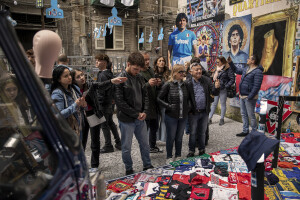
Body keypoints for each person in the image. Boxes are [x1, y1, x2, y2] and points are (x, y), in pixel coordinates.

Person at [70, 68, 127, 173]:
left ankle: (94, 165)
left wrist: (111, 81)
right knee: (82, 141)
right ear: (73, 79)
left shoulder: (89, 85)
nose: (82, 78)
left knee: (95, 141)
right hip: (80, 116)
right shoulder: (72, 90)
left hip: (93, 114)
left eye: (82, 75)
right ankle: (81, 165)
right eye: (78, 77)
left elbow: (100, 85)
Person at [115, 52, 153, 175]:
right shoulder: (120, 79)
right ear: (128, 64)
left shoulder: (140, 77)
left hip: (140, 117)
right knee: (126, 147)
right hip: (127, 119)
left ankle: (147, 165)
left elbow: (146, 96)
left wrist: (145, 111)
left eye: (139, 69)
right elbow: (120, 102)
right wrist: (136, 114)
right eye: (135, 69)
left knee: (145, 144)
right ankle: (129, 169)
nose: (137, 72)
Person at [157, 64, 190, 164]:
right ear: (174, 73)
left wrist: (188, 108)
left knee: (179, 137)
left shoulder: (185, 85)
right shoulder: (168, 84)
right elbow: (158, 98)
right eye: (180, 72)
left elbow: (188, 98)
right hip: (171, 116)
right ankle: (169, 156)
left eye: (183, 72)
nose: (183, 74)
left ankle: (178, 155)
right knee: (170, 138)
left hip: (182, 116)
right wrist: (169, 106)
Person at [185, 62, 220, 157]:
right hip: (193, 112)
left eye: (200, 69)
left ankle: (201, 149)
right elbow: (186, 98)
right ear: (190, 72)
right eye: (196, 70)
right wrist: (189, 109)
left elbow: (214, 92)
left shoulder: (207, 80)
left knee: (202, 132)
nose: (199, 71)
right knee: (192, 132)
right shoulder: (187, 83)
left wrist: (216, 88)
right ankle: (191, 150)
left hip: (204, 111)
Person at [228, 54, 263, 137]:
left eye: (249, 58)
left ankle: (254, 132)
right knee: (243, 114)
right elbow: (236, 70)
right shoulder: (246, 68)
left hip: (249, 97)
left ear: (253, 61)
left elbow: (256, 86)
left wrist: (249, 97)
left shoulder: (258, 71)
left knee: (251, 115)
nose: (247, 59)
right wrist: (230, 62)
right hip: (242, 95)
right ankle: (245, 131)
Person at [95, 54, 122, 153]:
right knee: (110, 122)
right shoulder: (109, 74)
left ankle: (108, 145)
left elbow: (101, 90)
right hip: (109, 102)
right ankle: (118, 142)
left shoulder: (102, 74)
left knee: (104, 124)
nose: (96, 62)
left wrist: (99, 104)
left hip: (104, 103)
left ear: (104, 63)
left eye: (98, 60)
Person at [51, 66, 86, 136]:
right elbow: (58, 115)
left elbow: (79, 107)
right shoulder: (57, 93)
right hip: (68, 130)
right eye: (66, 76)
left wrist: (82, 104)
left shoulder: (74, 88)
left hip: (79, 126)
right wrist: (75, 105)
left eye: (69, 74)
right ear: (58, 79)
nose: (70, 77)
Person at [140, 51, 162, 153]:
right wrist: (148, 84)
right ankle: (144, 149)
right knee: (145, 129)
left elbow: (155, 87)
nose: (147, 62)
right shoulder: (138, 73)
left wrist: (158, 84)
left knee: (154, 127)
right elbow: (137, 89)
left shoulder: (151, 70)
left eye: (148, 59)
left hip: (154, 103)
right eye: (145, 60)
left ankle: (152, 146)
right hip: (145, 105)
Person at [208, 56, 235, 126]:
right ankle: (209, 118)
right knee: (214, 104)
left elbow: (232, 79)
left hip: (223, 89)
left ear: (222, 62)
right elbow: (214, 78)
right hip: (216, 88)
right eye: (216, 62)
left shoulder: (228, 68)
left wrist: (226, 86)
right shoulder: (217, 69)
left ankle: (222, 119)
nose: (216, 63)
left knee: (223, 104)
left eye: (218, 62)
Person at [153, 56, 170, 142]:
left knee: (164, 119)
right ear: (156, 63)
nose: (162, 62)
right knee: (155, 120)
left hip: (164, 99)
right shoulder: (152, 73)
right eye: (160, 60)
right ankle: (154, 138)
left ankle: (163, 138)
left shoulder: (168, 73)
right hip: (155, 99)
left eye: (163, 61)